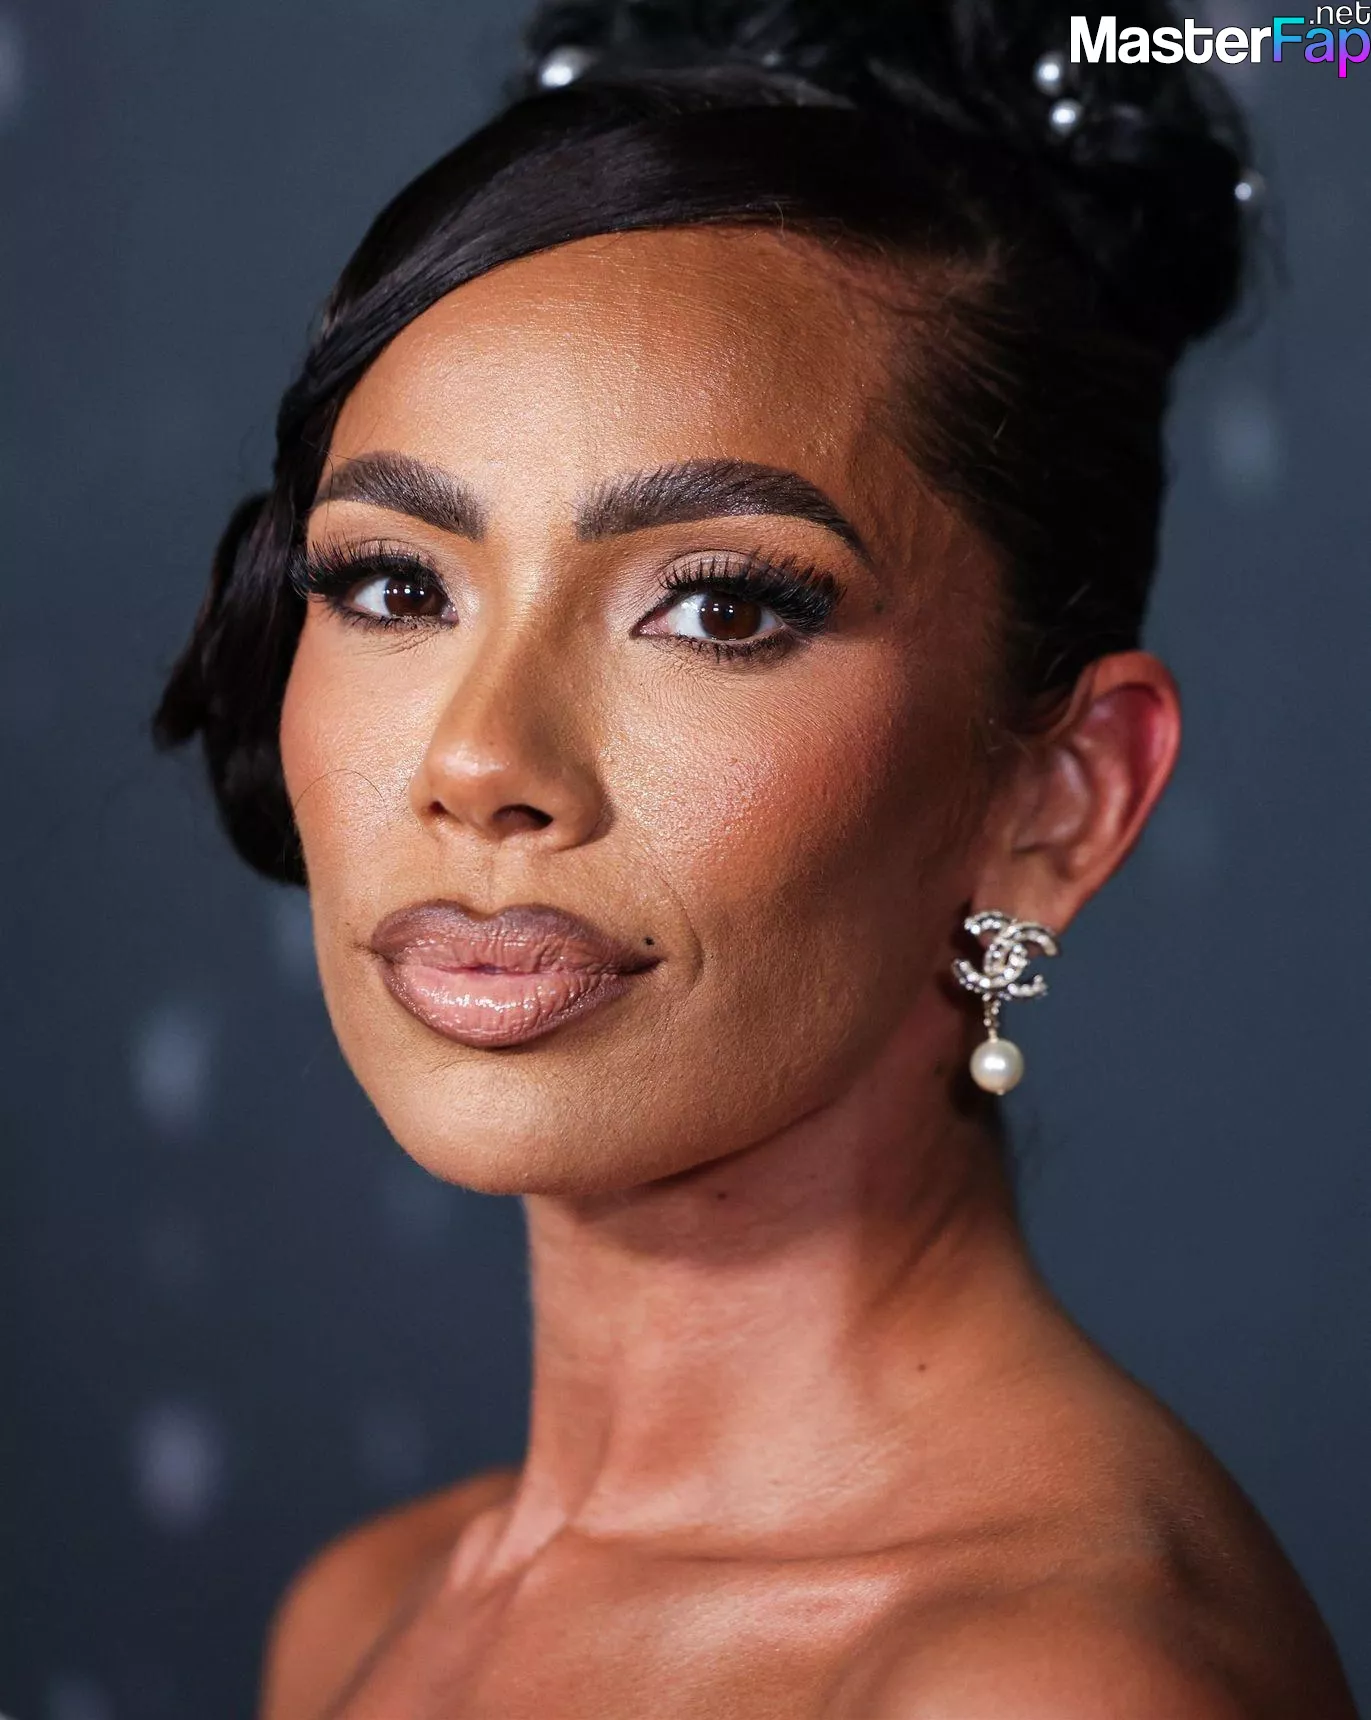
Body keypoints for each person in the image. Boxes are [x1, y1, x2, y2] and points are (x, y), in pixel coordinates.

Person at [155, 1, 1358, 1714]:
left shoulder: (1043, 1687)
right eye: (395, 585)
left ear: (1061, 795)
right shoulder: (365, 1611)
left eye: (721, 608)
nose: (481, 761)